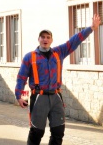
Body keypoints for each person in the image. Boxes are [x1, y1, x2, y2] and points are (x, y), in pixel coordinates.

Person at [15, 14, 101, 145]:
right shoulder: (30, 57)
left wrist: (91, 28)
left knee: (58, 131)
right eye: (43, 37)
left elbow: (74, 41)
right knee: (37, 132)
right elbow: (21, 77)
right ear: (38, 39)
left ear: (51, 40)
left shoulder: (59, 52)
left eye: (48, 37)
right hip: (39, 97)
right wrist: (18, 96)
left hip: (56, 97)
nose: (45, 39)